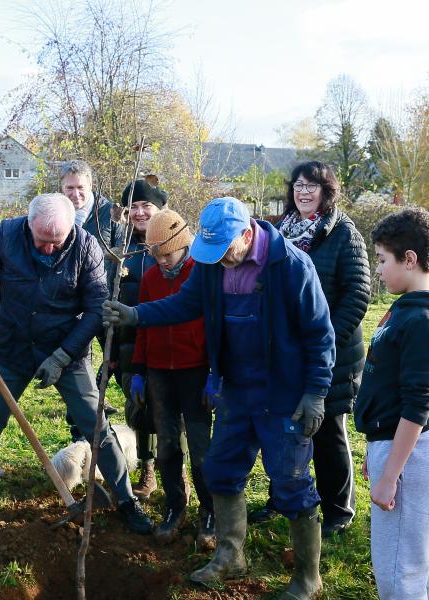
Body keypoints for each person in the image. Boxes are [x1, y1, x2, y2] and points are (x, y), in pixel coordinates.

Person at [103, 197, 335, 599]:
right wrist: (137, 315)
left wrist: (316, 393)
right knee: (222, 470)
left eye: (225, 250)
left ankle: (307, 578)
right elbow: (186, 303)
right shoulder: (213, 266)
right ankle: (230, 555)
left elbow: (320, 334)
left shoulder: (292, 267)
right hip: (236, 389)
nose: (219, 260)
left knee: (292, 484)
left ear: (247, 235)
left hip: (283, 394)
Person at [0, 193, 152, 536]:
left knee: (96, 426)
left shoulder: (86, 248)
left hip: (66, 350)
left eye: (57, 242)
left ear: (71, 228)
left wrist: (63, 355)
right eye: (42, 241)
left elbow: (97, 307)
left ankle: (127, 500)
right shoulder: (7, 235)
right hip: (12, 351)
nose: (49, 249)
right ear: (29, 225)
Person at [251, 161, 370, 537]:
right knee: (283, 427)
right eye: (299, 185)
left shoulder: (342, 233)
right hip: (286, 350)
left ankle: (338, 510)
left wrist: (325, 339)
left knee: (328, 431)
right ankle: (281, 498)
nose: (304, 192)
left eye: (312, 186)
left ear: (326, 191)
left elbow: (358, 293)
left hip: (331, 351)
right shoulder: (280, 232)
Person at [354, 207, 429, 600]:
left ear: (410, 259)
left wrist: (389, 474)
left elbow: (418, 405)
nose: (378, 270)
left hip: (409, 460)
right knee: (409, 561)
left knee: (401, 570)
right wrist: (377, 446)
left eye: (382, 259)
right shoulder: (405, 310)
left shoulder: (421, 321)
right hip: (393, 447)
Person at [131, 209, 214, 548]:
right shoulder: (151, 278)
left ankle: (209, 512)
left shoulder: (202, 275)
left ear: (183, 246)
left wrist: (214, 373)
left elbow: (214, 328)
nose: (163, 261)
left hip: (194, 371)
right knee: (166, 446)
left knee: (200, 448)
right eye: (157, 256)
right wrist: (138, 370)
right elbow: (142, 326)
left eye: (168, 254)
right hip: (159, 373)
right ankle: (175, 506)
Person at [112, 178, 166, 500]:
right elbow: (111, 298)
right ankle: (147, 469)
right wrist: (114, 352)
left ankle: (176, 468)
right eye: (134, 207)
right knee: (140, 407)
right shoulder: (122, 253)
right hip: (131, 345)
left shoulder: (174, 243)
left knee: (172, 412)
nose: (140, 212)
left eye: (147, 206)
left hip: (167, 342)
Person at [59, 159, 121, 439]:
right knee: (76, 366)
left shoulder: (109, 213)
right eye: (69, 188)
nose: (75, 194)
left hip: (106, 301)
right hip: (73, 305)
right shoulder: (57, 212)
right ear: (61, 188)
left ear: (91, 186)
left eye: (80, 187)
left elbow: (123, 252)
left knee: (115, 358)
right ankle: (79, 433)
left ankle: (101, 398)